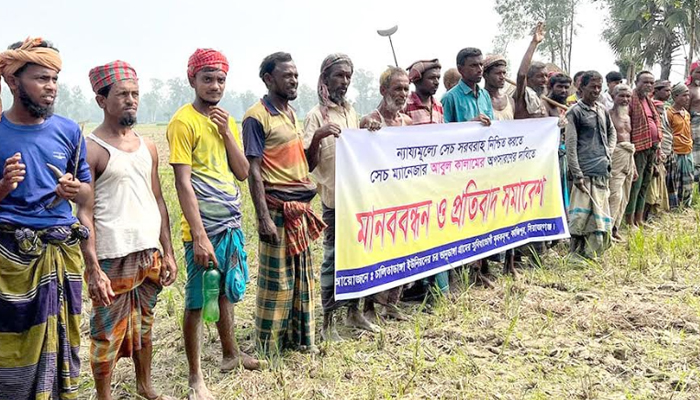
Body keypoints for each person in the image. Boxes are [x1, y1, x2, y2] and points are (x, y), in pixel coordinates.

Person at [0, 37, 92, 400]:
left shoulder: (69, 131)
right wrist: (4, 186)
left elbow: (87, 193)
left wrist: (73, 189)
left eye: (54, 79)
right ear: (12, 81)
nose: (50, 87)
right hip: (10, 261)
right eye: (41, 78)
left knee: (61, 345)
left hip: (60, 254)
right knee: (11, 345)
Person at [167, 48, 262, 400]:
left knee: (224, 292)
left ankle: (230, 355)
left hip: (230, 224)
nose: (215, 86)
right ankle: (195, 378)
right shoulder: (183, 122)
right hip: (202, 230)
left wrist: (226, 134)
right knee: (196, 300)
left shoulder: (227, 121)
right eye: (207, 79)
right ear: (192, 79)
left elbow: (241, 172)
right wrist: (200, 237)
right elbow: (183, 183)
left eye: (221, 79)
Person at [83, 60, 178, 400]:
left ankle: (145, 386)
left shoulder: (147, 146)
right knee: (106, 333)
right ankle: (103, 396)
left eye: (135, 94)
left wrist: (167, 251)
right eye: (122, 94)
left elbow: (158, 199)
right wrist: (92, 267)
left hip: (147, 252)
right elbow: (85, 213)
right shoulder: (91, 148)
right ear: (101, 100)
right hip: (112, 255)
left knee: (145, 325)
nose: (131, 100)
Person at [243, 52, 325, 355]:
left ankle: (299, 340)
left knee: (302, 280)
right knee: (277, 283)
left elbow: (302, 163)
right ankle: (268, 346)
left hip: (300, 210)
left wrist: (317, 138)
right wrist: (262, 217)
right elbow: (253, 170)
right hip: (278, 210)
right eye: (287, 75)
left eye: (295, 75)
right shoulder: (256, 116)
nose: (294, 80)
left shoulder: (290, 113)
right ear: (268, 79)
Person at [303, 54, 380, 342]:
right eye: (338, 76)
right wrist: (318, 136)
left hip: (358, 199)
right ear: (325, 78)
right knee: (333, 260)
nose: (344, 82)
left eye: (348, 76)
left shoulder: (351, 112)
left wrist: (369, 128)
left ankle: (355, 312)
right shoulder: (316, 116)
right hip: (335, 201)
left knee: (360, 255)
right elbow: (307, 163)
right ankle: (328, 322)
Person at [359, 67, 412, 320]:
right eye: (398, 88)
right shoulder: (369, 121)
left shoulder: (407, 123)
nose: (403, 94)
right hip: (376, 198)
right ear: (383, 91)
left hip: (403, 196)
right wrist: (365, 129)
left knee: (401, 248)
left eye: (406, 88)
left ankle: (391, 303)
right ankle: (368, 308)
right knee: (375, 249)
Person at [565, 71, 616, 258]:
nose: (596, 90)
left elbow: (612, 133)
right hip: (584, 173)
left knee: (599, 214)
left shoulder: (602, 109)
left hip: (602, 170)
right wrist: (577, 173)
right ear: (582, 88)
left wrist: (608, 151)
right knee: (581, 216)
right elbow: (571, 146)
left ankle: (592, 252)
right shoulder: (575, 112)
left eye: (598, 86)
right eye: (592, 86)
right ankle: (576, 253)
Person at [625, 71, 661, 227]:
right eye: (645, 82)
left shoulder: (649, 101)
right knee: (636, 184)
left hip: (652, 147)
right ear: (636, 82)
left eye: (651, 83)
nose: (649, 85)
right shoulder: (631, 101)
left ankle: (639, 219)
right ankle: (629, 220)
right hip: (638, 148)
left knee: (645, 183)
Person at [607, 84, 637, 241]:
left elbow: (629, 139)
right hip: (615, 156)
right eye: (622, 96)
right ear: (613, 96)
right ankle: (607, 229)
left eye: (628, 96)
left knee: (625, 195)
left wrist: (634, 166)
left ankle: (615, 228)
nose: (625, 99)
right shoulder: (608, 114)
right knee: (614, 195)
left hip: (628, 156)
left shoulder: (628, 116)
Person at [441, 47, 493, 125]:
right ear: (460, 69)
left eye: (481, 65)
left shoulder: (485, 95)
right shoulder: (450, 98)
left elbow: (493, 124)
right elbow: (443, 131)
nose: (480, 69)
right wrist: (471, 124)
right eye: (473, 65)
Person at [545, 73, 572, 209]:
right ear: (551, 86)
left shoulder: (562, 106)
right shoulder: (544, 104)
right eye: (560, 87)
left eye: (566, 87)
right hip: (548, 155)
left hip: (562, 153)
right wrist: (555, 126)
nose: (563, 91)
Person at [666, 83, 695, 208]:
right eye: (684, 95)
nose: (687, 98)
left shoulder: (686, 114)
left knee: (689, 179)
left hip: (687, 150)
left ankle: (686, 205)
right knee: (674, 181)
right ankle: (674, 206)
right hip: (676, 151)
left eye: (688, 95)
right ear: (675, 96)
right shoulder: (669, 113)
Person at [514, 22, 548, 119]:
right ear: (528, 79)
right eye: (540, 76)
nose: (545, 80)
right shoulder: (522, 95)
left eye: (546, 76)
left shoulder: (539, 99)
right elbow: (521, 75)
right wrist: (534, 43)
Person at [404, 59, 444, 124]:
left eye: (438, 78)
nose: (437, 82)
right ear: (417, 81)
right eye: (431, 78)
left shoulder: (438, 106)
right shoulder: (405, 105)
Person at [483, 55, 514, 121]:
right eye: (498, 73)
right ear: (485, 75)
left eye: (504, 73)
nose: (502, 77)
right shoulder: (479, 100)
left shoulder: (510, 101)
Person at [687, 61, 700, 180]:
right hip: (695, 124)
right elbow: (686, 111)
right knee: (695, 151)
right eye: (698, 72)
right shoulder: (689, 90)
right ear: (692, 73)